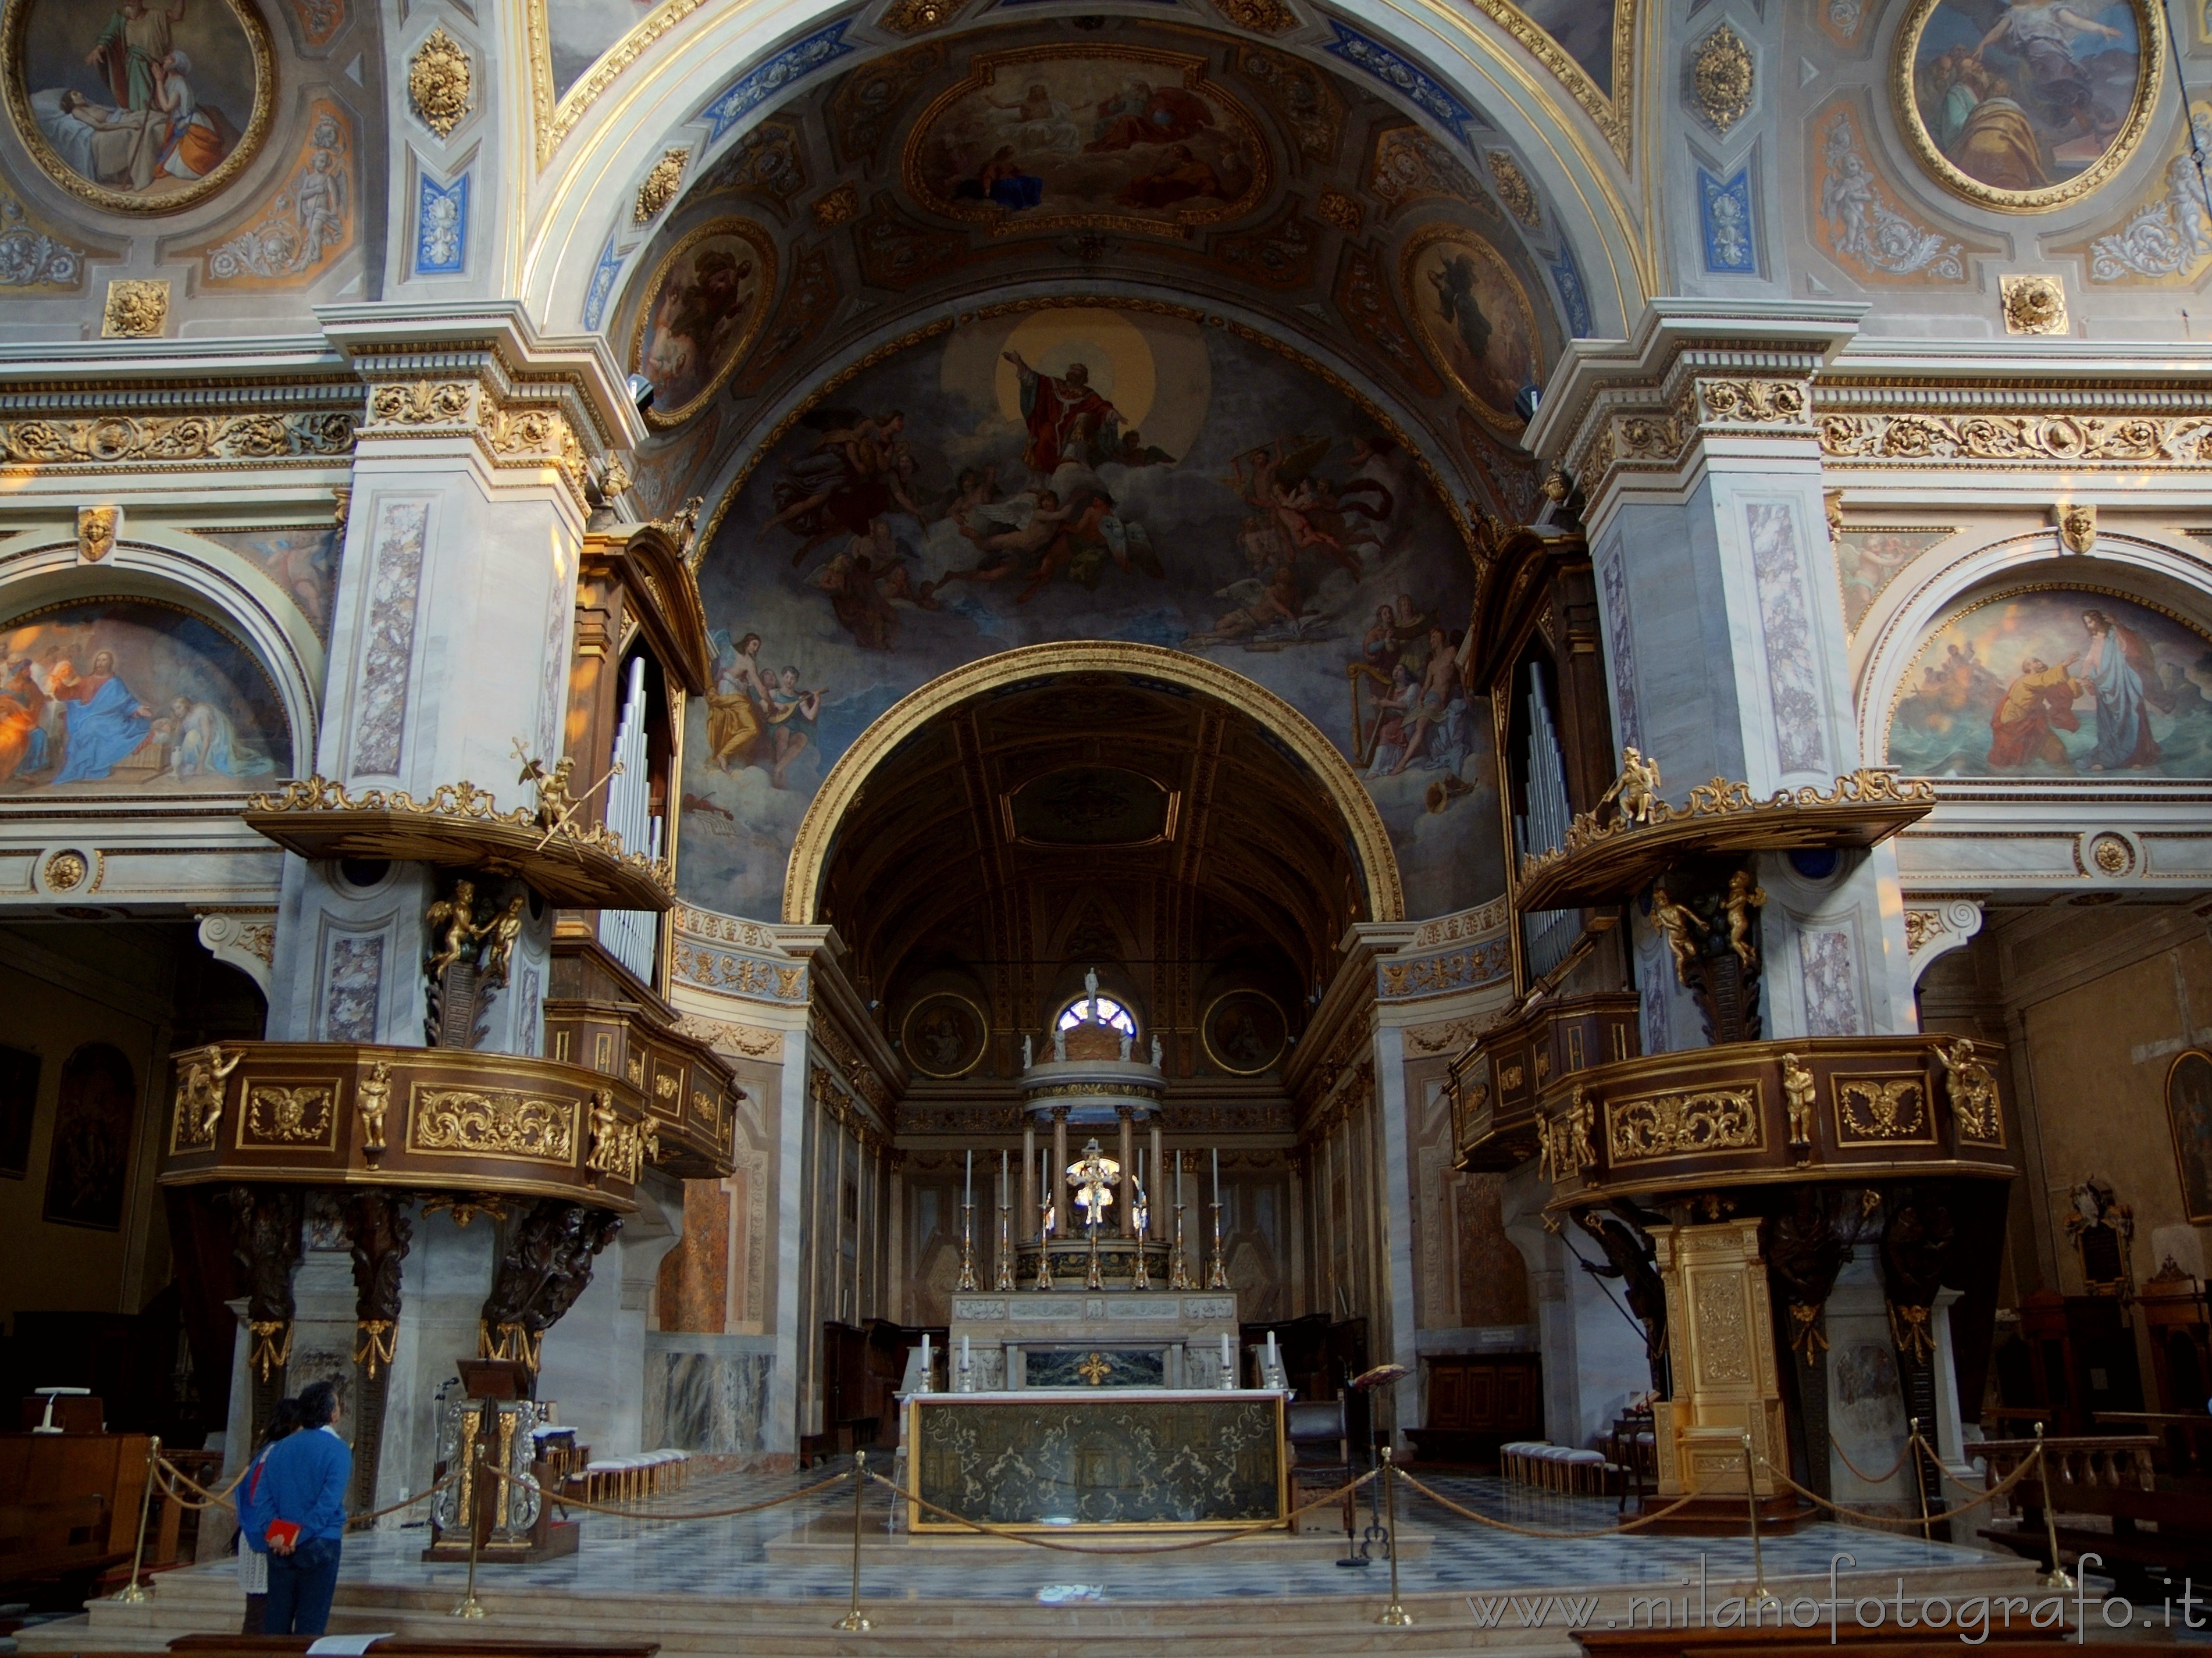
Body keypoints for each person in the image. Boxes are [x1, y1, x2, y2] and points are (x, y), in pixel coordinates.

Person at [257, 1380, 350, 1636]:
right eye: (338, 1405)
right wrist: (299, 1536)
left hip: (280, 1544)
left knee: (276, 1622)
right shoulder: (339, 1450)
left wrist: (279, 1536)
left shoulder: (278, 1448)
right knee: (311, 1625)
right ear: (332, 1414)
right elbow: (327, 1505)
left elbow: (262, 1499)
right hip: (319, 1543)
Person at [234, 1397, 302, 1635]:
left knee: (267, 1616)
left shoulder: (269, 1450)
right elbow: (260, 1501)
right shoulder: (275, 1452)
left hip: (267, 1538)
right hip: (263, 1540)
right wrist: (282, 1537)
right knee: (259, 1618)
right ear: (293, 1424)